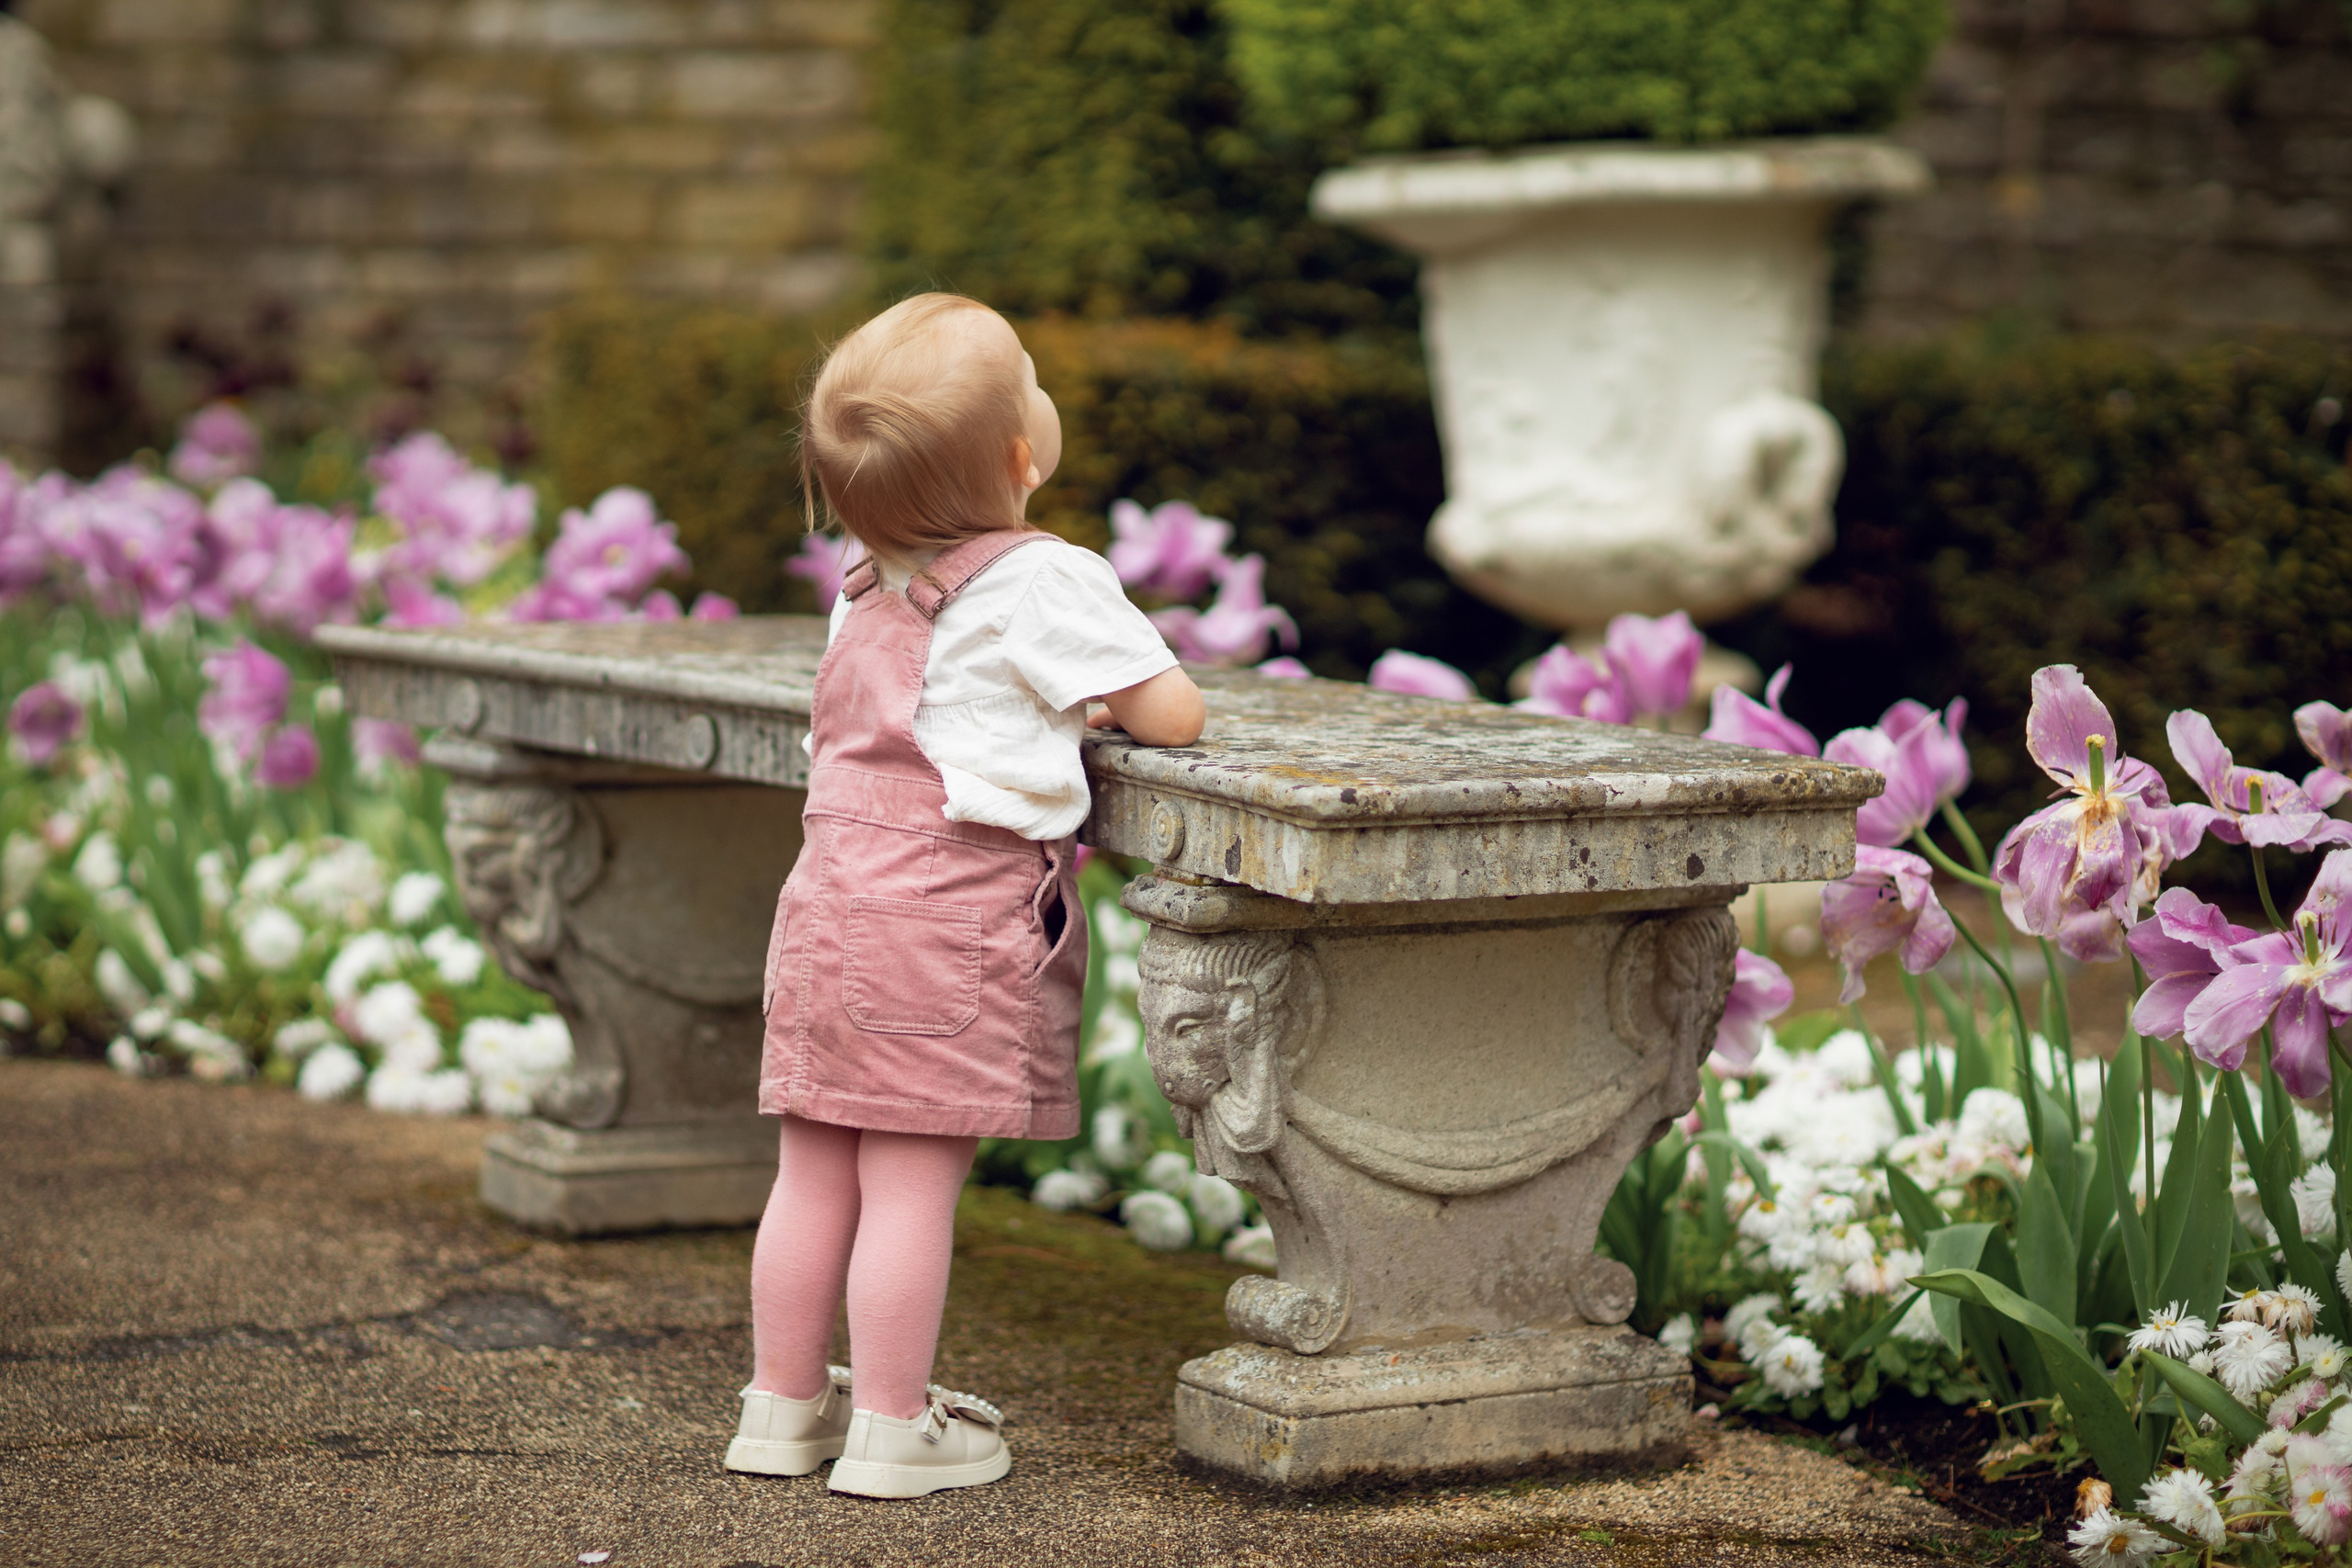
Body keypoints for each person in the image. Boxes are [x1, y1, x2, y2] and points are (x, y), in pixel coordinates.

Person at [726, 293, 1204, 1499]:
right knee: (911, 1180)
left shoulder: (863, 580)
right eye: (1033, 379)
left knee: (813, 1168)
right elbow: (1174, 713)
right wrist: (1090, 697)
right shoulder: (1047, 580)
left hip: (827, 908)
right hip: (946, 924)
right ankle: (893, 1428)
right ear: (1020, 456)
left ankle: (777, 1412)